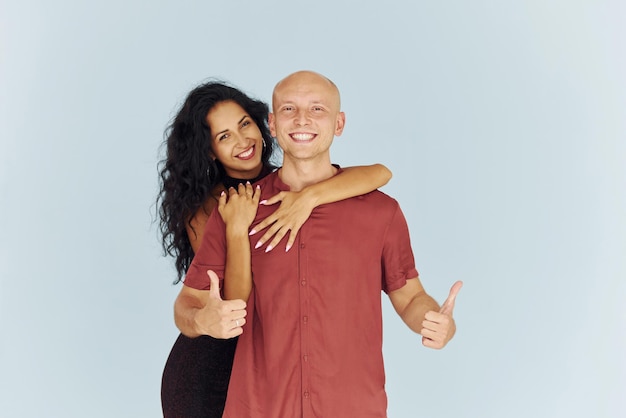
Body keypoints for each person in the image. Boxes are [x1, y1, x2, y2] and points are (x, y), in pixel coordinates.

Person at [178, 71, 463, 417]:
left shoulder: (381, 212)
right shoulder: (236, 210)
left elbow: (411, 297)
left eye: (317, 109)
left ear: (339, 123)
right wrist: (202, 321)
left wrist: (432, 320)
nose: (302, 119)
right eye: (288, 109)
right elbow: (187, 304)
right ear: (271, 122)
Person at [157, 80, 393, 417]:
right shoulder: (212, 208)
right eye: (224, 137)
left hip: (270, 367)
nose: (242, 141)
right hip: (212, 368)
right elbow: (237, 302)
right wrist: (237, 231)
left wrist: (309, 197)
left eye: (244, 125)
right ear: (210, 150)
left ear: (262, 123)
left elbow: (379, 173)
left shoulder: (285, 182)